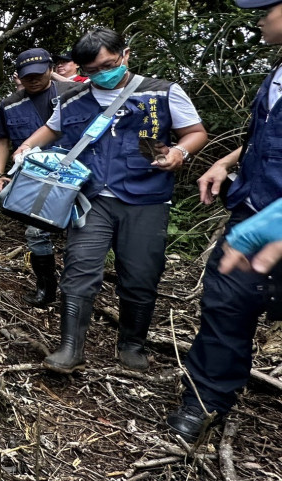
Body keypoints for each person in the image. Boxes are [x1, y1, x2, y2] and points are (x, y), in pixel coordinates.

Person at [15, 29, 207, 374]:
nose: (102, 74)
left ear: (125, 55)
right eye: (92, 70)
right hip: (91, 199)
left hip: (146, 198)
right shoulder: (74, 98)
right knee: (80, 268)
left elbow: (195, 132)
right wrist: (26, 147)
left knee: (140, 273)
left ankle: (132, 344)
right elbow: (52, 129)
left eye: (108, 64)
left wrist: (180, 152)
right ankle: (70, 347)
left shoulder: (162, 93)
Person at [167, 0, 282, 441]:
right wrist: (226, 161)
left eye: (267, 12)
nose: (259, 21)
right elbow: (265, 137)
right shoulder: (275, 73)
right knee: (226, 306)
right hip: (252, 211)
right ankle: (205, 400)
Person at [0, 49, 71, 307]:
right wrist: (0, 173)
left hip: (72, 175)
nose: (34, 80)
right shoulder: (10, 104)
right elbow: (3, 140)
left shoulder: (70, 94)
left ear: (51, 69)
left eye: (39, 74)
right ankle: (46, 288)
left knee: (79, 231)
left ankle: (75, 288)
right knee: (36, 230)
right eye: (28, 77)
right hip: (33, 177)